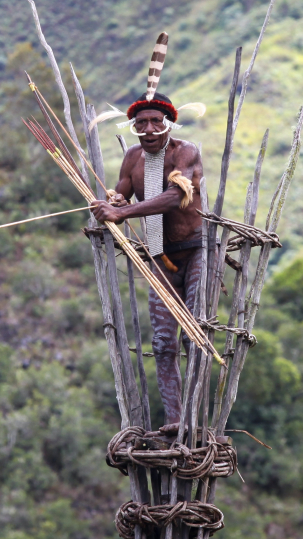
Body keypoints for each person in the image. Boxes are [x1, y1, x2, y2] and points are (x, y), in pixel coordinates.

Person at [90, 89, 205, 433]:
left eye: (157, 121)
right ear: (134, 128)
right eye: (142, 123)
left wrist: (122, 212)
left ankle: (194, 420)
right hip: (161, 258)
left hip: (197, 250)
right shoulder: (133, 160)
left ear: (169, 123)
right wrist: (108, 206)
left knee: (195, 335)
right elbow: (119, 195)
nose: (150, 128)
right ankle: (175, 421)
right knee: (163, 343)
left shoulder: (186, 152)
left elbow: (175, 196)